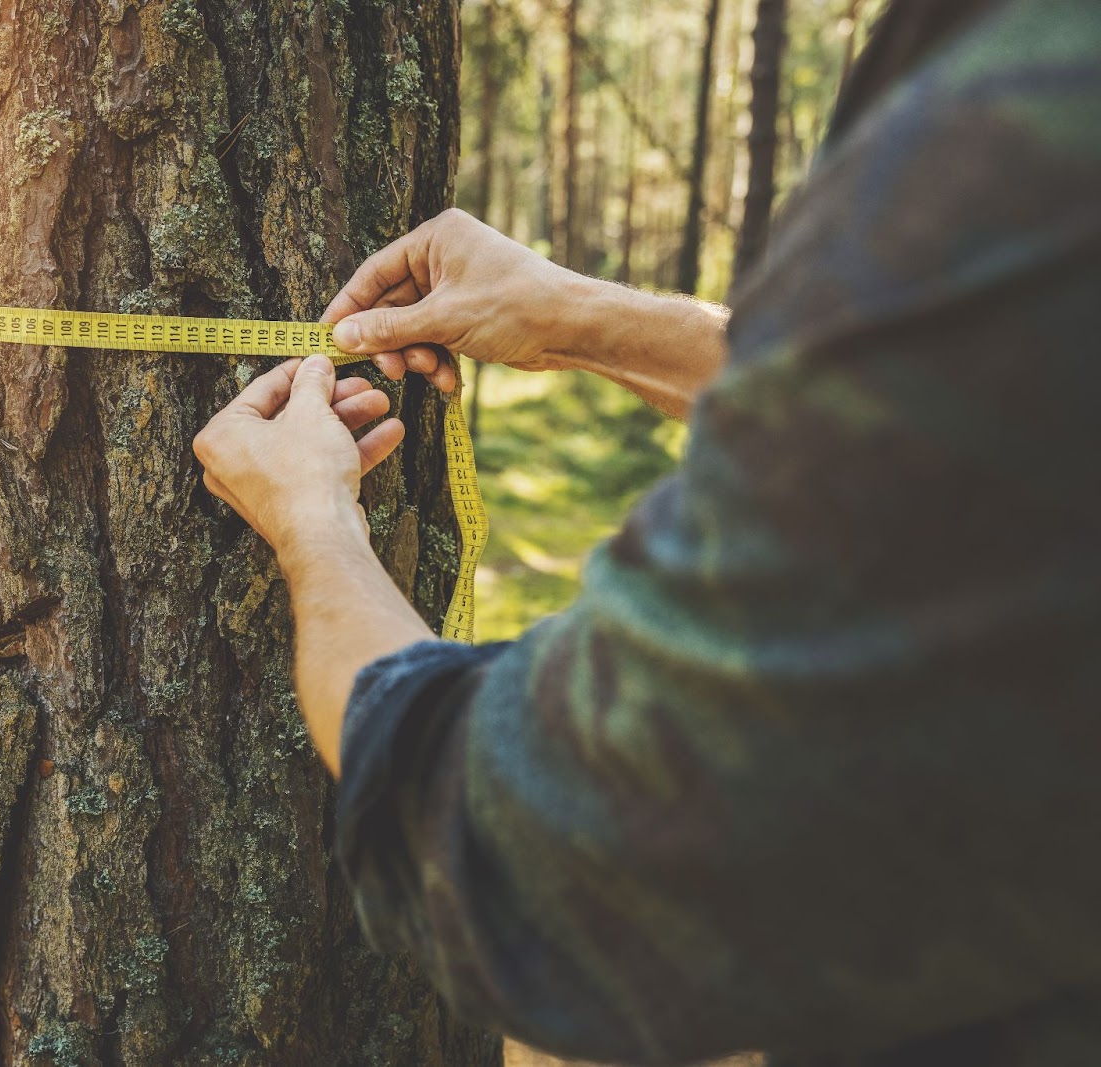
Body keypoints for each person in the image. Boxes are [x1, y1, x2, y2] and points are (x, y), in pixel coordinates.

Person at [193, 0, 1101, 1064]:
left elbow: (554, 849)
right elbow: (979, 424)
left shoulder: (1032, 113)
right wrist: (582, 316)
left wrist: (312, 518)